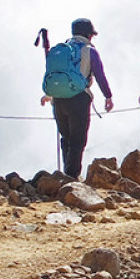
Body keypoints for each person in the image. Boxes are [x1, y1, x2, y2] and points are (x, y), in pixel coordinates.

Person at [40, 18, 114, 178]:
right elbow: (100, 75)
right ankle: (72, 177)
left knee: (66, 138)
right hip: (79, 98)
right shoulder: (89, 51)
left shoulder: (62, 50)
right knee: (78, 140)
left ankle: (66, 175)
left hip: (58, 99)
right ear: (89, 34)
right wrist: (108, 96)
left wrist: (49, 94)